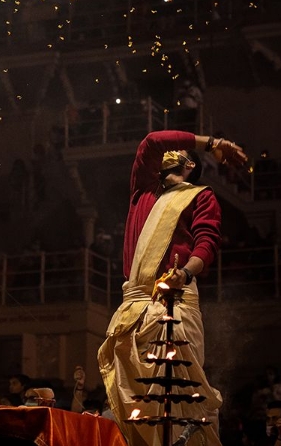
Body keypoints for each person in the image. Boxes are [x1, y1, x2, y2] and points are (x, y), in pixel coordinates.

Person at [97, 130, 248, 446]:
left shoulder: (200, 196)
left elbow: (206, 242)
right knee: (136, 403)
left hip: (174, 298)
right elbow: (152, 141)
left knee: (180, 395)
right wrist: (213, 143)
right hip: (133, 308)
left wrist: (186, 273)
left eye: (177, 151)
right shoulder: (143, 192)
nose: (168, 153)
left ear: (190, 165)